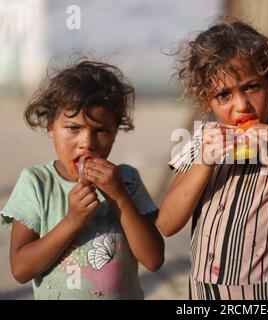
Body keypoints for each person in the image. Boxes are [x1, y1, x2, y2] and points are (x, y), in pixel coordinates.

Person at [156, 18, 268, 300]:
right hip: (203, 295)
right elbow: (166, 224)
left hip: (265, 296)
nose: (241, 106)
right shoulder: (202, 142)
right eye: (224, 95)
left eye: (252, 87)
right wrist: (203, 163)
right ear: (207, 101)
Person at [0, 60, 164, 299]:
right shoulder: (37, 183)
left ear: (115, 132)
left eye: (100, 130)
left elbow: (153, 259)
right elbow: (21, 269)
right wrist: (72, 221)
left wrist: (120, 198)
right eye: (73, 128)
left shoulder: (126, 180)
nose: (87, 142)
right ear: (50, 127)